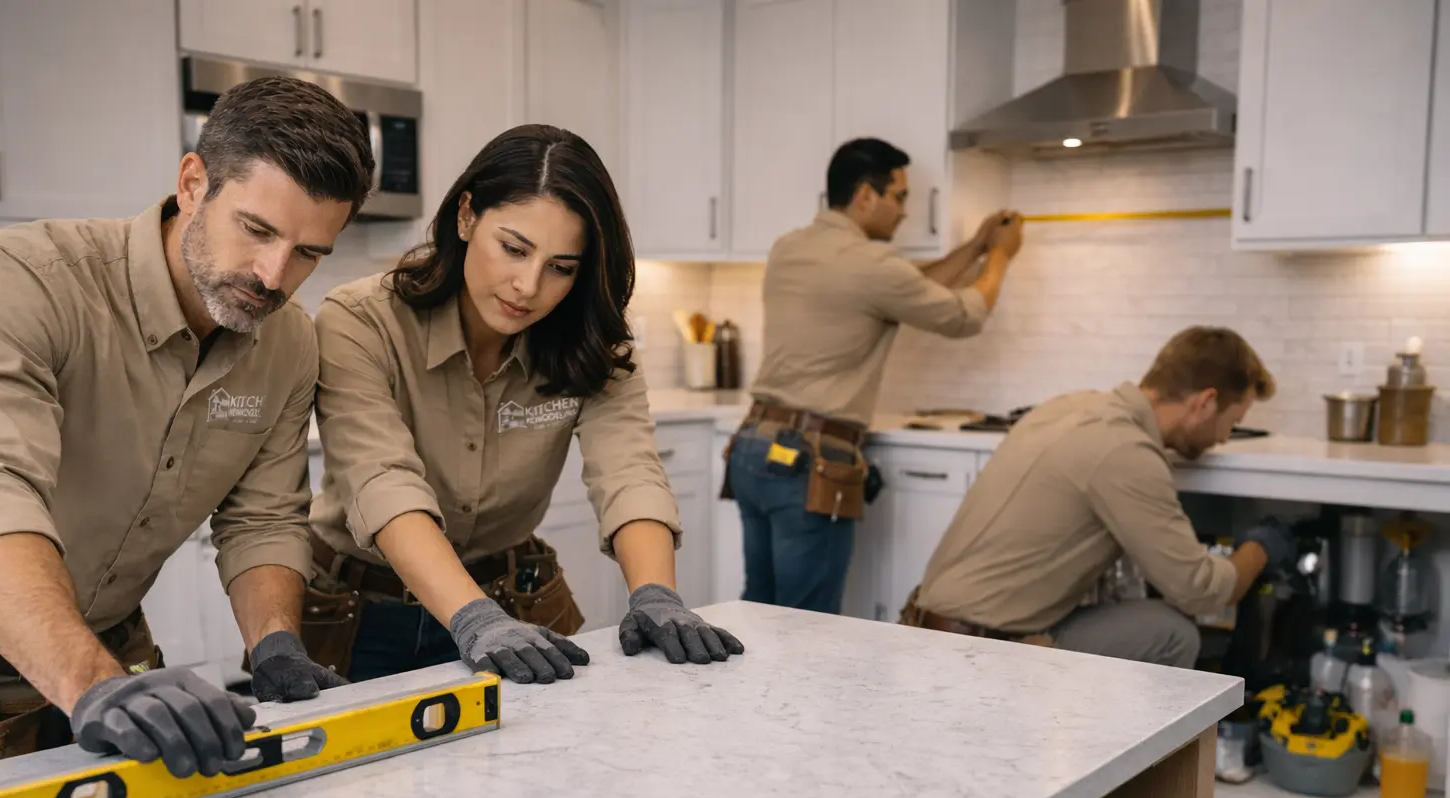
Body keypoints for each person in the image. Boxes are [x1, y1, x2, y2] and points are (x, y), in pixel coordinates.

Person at [0, 76, 375, 780]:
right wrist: (89, 682)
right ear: (193, 184)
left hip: (118, 662)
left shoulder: (289, 343)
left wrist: (276, 644)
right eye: (257, 230)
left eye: (310, 252)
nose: (274, 275)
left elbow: (262, 518)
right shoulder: (21, 282)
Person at [307, 124, 744, 685]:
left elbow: (629, 471)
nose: (528, 286)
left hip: (517, 602)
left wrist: (656, 595)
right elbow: (381, 481)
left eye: (561, 267)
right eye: (514, 249)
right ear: (467, 216)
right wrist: (474, 620)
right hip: (354, 615)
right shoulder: (360, 320)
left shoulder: (593, 345)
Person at [725, 137, 1023, 614]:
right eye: (899, 197)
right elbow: (963, 316)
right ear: (866, 195)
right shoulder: (872, 265)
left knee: (759, 610)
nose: (904, 212)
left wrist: (974, 248)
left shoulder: (789, 247)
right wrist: (1001, 257)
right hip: (809, 462)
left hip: (754, 449)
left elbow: (906, 288)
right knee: (806, 624)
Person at [902, 326, 1294, 669]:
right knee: (1173, 633)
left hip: (923, 624)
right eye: (1232, 423)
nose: (1224, 438)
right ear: (1204, 403)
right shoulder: (1126, 451)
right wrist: (1260, 548)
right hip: (978, 654)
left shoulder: (1070, 408)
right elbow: (1201, 591)